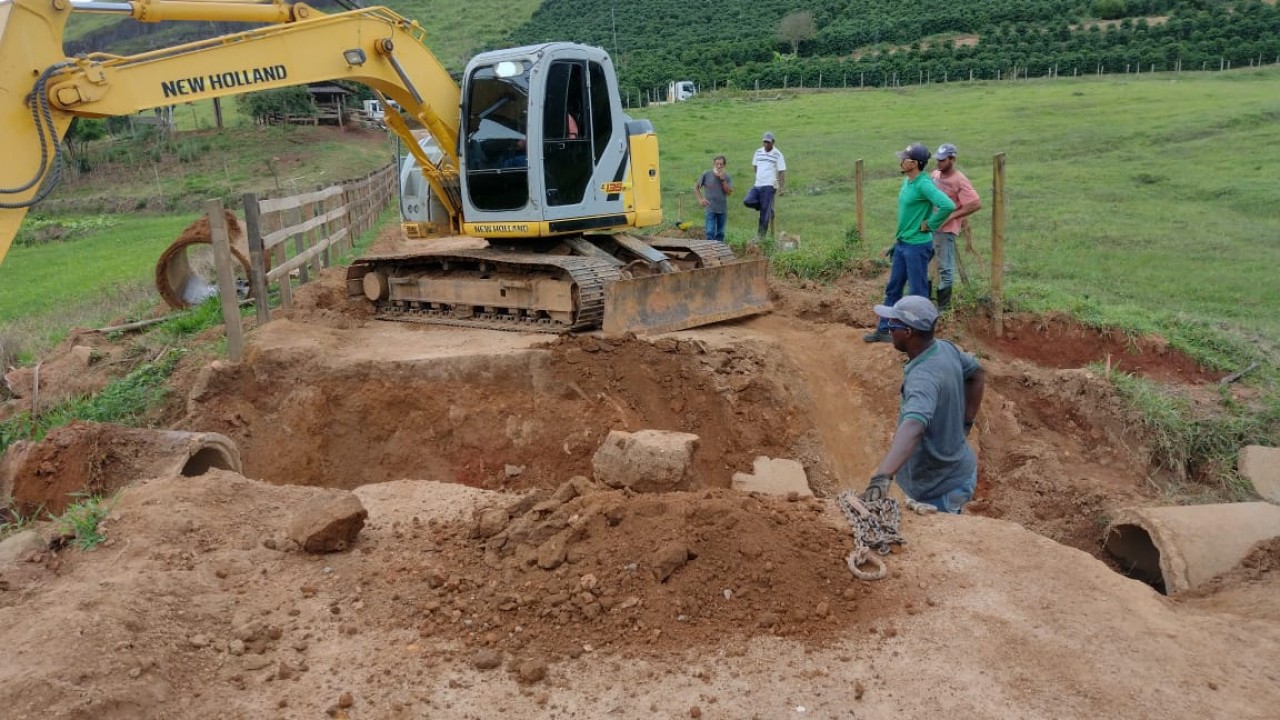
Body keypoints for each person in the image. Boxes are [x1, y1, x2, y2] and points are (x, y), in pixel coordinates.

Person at [861, 296, 985, 514]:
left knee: (942, 541)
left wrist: (882, 476)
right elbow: (977, 373)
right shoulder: (945, 349)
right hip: (956, 472)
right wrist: (967, 420)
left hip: (940, 488)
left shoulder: (923, 378)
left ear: (908, 332)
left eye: (893, 325)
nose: (888, 329)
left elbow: (914, 427)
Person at [864, 143, 955, 343]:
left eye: (904, 158)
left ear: (914, 163)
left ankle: (921, 339)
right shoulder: (909, 181)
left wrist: (931, 224)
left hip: (917, 247)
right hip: (903, 244)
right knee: (894, 288)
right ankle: (883, 330)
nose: (900, 160)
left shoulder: (924, 184)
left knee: (917, 294)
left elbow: (948, 205)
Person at [929, 143, 983, 311]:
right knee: (924, 264)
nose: (939, 163)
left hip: (945, 230)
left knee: (945, 267)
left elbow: (974, 203)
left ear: (952, 159)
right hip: (930, 227)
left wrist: (951, 216)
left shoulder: (959, 180)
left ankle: (943, 310)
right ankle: (925, 303)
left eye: (943, 160)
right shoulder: (935, 174)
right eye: (937, 160)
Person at [743, 131, 786, 241]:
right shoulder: (758, 152)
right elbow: (755, 166)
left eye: (768, 142)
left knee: (764, 213)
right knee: (747, 201)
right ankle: (767, 208)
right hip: (758, 184)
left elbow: (781, 171)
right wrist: (759, 176)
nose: (766, 145)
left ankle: (760, 236)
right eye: (764, 142)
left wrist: (781, 187)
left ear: (773, 142)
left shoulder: (777, 154)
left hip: (769, 185)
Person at [694, 155, 733, 242]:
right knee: (710, 232)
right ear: (714, 164)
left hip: (722, 209)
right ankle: (709, 252)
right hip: (710, 208)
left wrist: (723, 180)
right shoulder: (706, 174)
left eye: (721, 164)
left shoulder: (727, 177)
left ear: (724, 165)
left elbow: (729, 192)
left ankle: (718, 253)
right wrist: (700, 200)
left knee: (720, 233)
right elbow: (696, 187)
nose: (719, 166)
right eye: (717, 164)